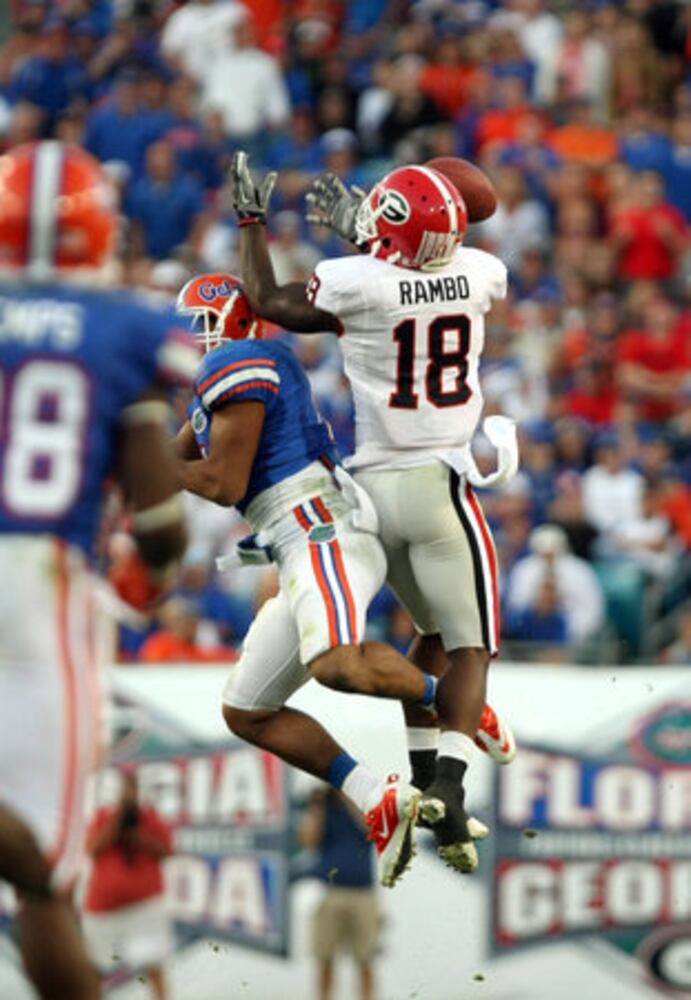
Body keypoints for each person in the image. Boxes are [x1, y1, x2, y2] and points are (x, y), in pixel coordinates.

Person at [229, 152, 518, 875]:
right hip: (438, 485)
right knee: (469, 647)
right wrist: (372, 231)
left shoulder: (353, 281)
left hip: (368, 492)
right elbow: (422, 268)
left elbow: (269, 300)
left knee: (428, 637)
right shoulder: (481, 272)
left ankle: (423, 784)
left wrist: (252, 222)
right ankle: (450, 787)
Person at [173, 271, 499, 885]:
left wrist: (146, 471)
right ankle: (376, 796)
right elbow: (176, 457)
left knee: (335, 664)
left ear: (235, 319)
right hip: (296, 540)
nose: (194, 336)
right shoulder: (221, 377)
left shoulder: (242, 359)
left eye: (202, 323)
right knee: (247, 711)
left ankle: (457, 703)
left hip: (318, 526)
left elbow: (222, 482)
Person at [0, 141, 196, 999]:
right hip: (39, 582)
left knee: (36, 865)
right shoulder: (128, 326)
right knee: (44, 868)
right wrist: (151, 575)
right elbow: (157, 524)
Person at [82, 769, 174, 1000]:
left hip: (144, 908)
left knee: (153, 964)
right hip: (102, 910)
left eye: (132, 787)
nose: (128, 793)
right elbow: (92, 849)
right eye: (125, 788)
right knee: (94, 969)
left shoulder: (149, 817)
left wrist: (139, 837)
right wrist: (116, 823)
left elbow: (167, 851)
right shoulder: (104, 816)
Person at [299, 788, 380, 1000]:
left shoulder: (364, 803)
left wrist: (350, 796)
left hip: (363, 893)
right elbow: (309, 841)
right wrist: (317, 807)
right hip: (329, 893)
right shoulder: (323, 806)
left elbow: (373, 828)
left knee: (366, 958)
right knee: (325, 958)